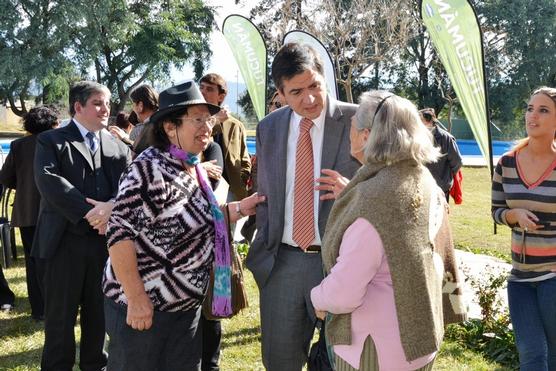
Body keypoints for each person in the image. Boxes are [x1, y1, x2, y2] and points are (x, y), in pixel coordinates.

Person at [102, 80, 264, 370]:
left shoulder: (190, 166)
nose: (207, 126)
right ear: (169, 127)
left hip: (184, 309)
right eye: (197, 119)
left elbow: (195, 218)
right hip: (146, 310)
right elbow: (119, 234)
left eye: (209, 119)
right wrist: (137, 298)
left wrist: (238, 209)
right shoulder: (149, 168)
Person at [310, 91, 467, 371]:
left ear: (367, 134)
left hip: (374, 351)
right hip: (418, 341)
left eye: (353, 124)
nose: (349, 131)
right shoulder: (424, 181)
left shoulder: (374, 199)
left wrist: (318, 297)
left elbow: (345, 292)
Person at [246, 42, 360, 370]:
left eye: (314, 86)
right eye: (296, 92)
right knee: (280, 361)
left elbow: (390, 188)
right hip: (284, 263)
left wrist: (352, 191)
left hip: (344, 264)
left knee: (344, 362)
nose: (309, 99)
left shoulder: (357, 121)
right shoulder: (269, 127)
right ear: (280, 93)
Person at [33, 81, 131, 371]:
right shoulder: (51, 141)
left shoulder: (117, 146)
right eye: (99, 103)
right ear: (78, 107)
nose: (106, 109)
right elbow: (50, 183)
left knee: (99, 318)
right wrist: (93, 213)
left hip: (104, 245)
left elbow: (128, 188)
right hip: (62, 244)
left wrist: (110, 211)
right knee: (59, 320)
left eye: (108, 103)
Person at [491, 86, 556, 371]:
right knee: (530, 355)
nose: (533, 115)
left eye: (543, 110)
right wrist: (513, 214)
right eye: (530, 108)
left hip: (554, 276)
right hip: (519, 279)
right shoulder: (505, 164)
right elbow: (496, 212)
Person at [0, 106, 59, 321]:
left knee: (33, 262)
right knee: (58, 260)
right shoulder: (59, 142)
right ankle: (59, 306)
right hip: (57, 211)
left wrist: (24, 186)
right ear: (53, 123)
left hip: (27, 212)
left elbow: (5, 178)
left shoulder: (18, 146)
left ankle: (39, 309)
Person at [200, 73, 251, 201]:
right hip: (203, 186)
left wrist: (241, 181)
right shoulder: (193, 122)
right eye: (201, 87)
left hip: (231, 192)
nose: (203, 92)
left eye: (209, 89)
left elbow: (244, 159)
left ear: (221, 96)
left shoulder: (235, 125)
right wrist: (215, 121)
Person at [419, 108, 462, 201]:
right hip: (421, 186)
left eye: (420, 119)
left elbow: (457, 162)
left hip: (440, 187)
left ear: (428, 119)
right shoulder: (417, 136)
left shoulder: (446, 138)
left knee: (439, 214)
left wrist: (444, 178)